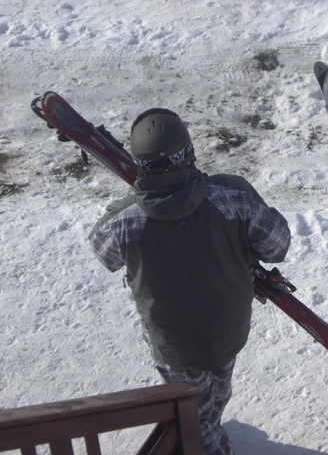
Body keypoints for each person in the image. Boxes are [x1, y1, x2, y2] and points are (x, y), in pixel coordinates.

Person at [88, 108, 291, 454]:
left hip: (173, 345)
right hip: (228, 332)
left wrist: (134, 200)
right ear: (188, 152)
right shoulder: (234, 195)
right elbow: (276, 246)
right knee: (211, 401)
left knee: (197, 411)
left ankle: (203, 435)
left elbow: (105, 254)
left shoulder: (123, 220)